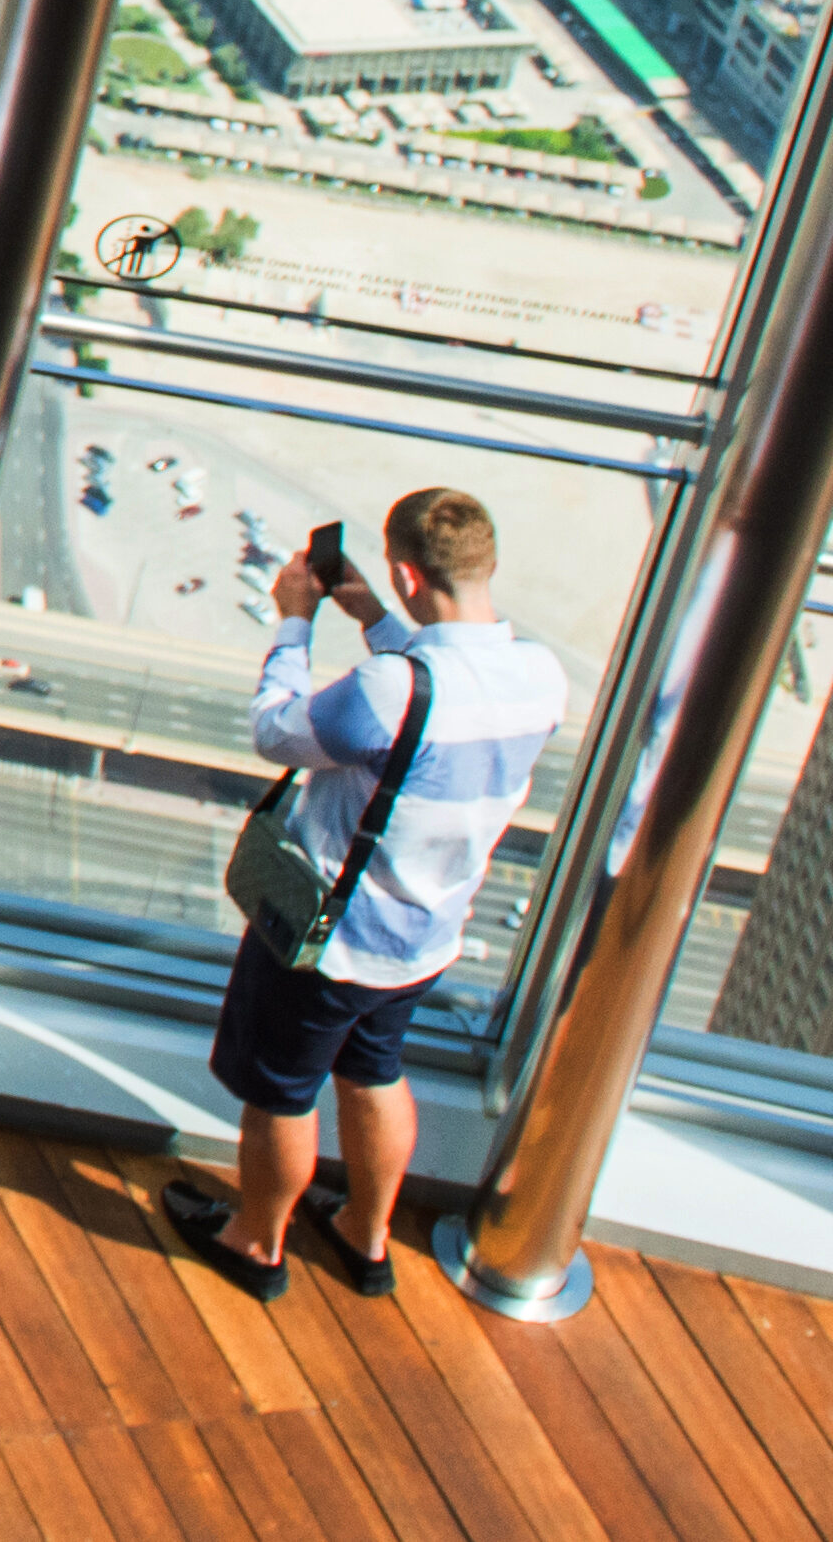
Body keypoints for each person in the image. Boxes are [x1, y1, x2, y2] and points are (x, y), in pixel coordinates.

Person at [169, 483, 568, 1299]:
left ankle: (256, 1242)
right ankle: (365, 1235)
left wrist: (293, 620)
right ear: (485, 564)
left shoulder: (390, 689)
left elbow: (279, 728)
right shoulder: (542, 677)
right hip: (425, 937)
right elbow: (439, 698)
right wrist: (376, 619)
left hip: (333, 939)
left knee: (282, 1094)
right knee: (374, 1070)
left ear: (408, 575)